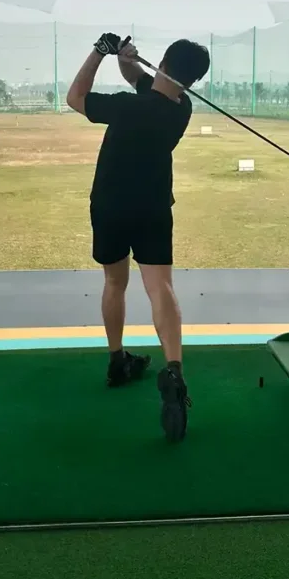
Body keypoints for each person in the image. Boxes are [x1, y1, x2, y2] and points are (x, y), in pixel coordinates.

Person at [66, 32, 210, 442]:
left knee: (115, 281)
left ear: (162, 63)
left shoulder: (127, 108)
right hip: (153, 207)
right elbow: (139, 80)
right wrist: (126, 58)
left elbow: (76, 98)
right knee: (160, 287)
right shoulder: (181, 107)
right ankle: (174, 372)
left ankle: (117, 361)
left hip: (110, 205)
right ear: (192, 79)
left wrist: (99, 52)